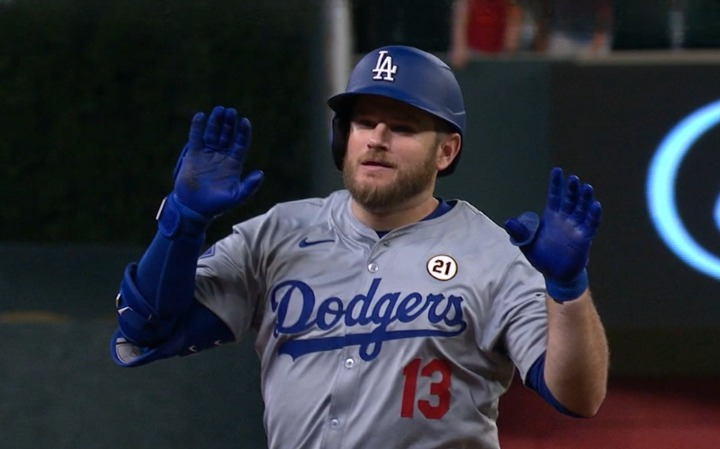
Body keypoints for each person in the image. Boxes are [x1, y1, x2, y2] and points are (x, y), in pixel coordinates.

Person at [110, 45, 609, 449]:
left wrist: (568, 288)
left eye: (403, 127)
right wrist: (183, 221)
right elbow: (147, 326)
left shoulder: (490, 252)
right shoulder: (278, 232)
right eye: (365, 122)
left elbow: (577, 397)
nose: (377, 138)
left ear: (446, 151)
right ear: (342, 137)